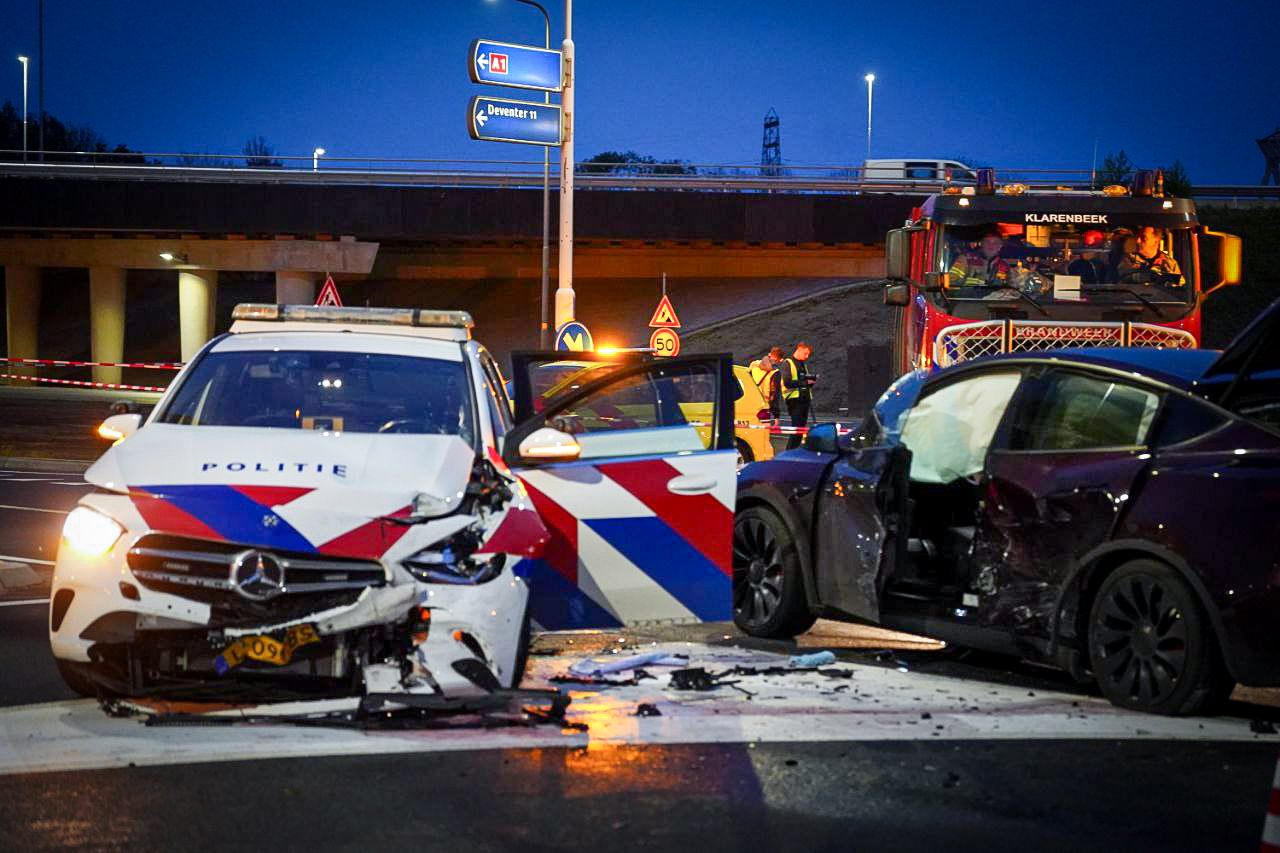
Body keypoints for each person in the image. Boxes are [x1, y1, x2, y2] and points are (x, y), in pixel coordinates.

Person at [1117, 225, 1184, 287]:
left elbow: (1179, 288)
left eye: (1143, 238)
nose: (1138, 241)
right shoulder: (1128, 260)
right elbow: (1122, 281)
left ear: (1156, 240)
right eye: (1138, 237)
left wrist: (1169, 279)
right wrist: (1149, 277)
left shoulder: (1170, 264)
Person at [780, 342, 816, 449]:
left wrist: (811, 381)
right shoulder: (788, 363)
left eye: (808, 354)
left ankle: (793, 452)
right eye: (805, 353)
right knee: (796, 430)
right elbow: (788, 382)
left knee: (800, 431)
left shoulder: (803, 364)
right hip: (794, 401)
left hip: (805, 399)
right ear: (799, 349)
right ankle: (789, 454)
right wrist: (805, 382)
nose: (807, 356)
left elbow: (803, 382)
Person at [749, 347, 784, 421]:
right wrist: (776, 415)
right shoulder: (775, 372)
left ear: (769, 355)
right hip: (763, 406)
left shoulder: (754, 364)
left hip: (750, 401)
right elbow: (774, 395)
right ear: (780, 360)